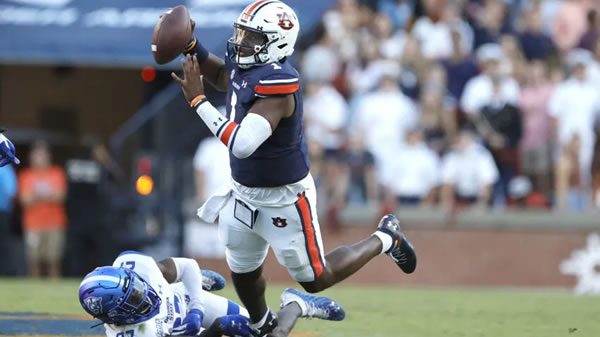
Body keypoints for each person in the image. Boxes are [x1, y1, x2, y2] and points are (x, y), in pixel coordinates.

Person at [166, 1, 416, 335]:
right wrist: (191, 47)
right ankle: (261, 324)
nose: (241, 42)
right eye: (242, 33)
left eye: (252, 38)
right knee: (242, 268)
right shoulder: (250, 66)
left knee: (316, 278)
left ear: (276, 44)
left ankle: (386, 238)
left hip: (284, 196)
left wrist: (198, 102)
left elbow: (242, 143)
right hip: (243, 190)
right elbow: (225, 77)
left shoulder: (280, 86)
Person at [79, 251, 345, 337]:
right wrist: (218, 328)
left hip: (181, 300)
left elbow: (186, 265)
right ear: (117, 316)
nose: (143, 294)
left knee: (265, 327)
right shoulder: (137, 334)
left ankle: (195, 286)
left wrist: (195, 307)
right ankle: (297, 303)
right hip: (179, 330)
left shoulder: (139, 269)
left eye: (135, 287)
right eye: (134, 299)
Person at [18, 140, 67, 278]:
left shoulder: (57, 173)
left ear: (48, 156)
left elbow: (60, 196)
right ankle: (34, 291)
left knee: (54, 260)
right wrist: (48, 195)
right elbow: (25, 200)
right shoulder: (26, 175)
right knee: (34, 260)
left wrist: (36, 195)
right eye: (36, 155)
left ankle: (55, 290)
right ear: (31, 157)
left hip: (55, 223)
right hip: (33, 224)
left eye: (42, 155)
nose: (39, 158)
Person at [0, 163, 18, 275]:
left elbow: (11, 192)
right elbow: (11, 192)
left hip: (2, 211)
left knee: (3, 244)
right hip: (3, 212)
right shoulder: (5, 167)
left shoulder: (5, 168)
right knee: (4, 244)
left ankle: (5, 272)